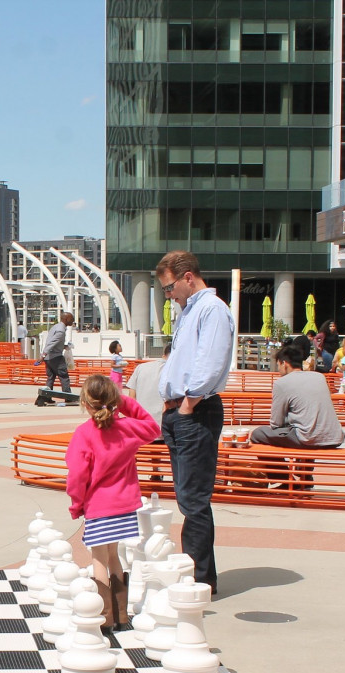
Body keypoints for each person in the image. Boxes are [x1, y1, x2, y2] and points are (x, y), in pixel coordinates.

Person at [156, 250, 235, 594]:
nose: (169, 294)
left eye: (169, 287)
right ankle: (201, 574)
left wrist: (188, 404)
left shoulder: (211, 310)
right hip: (181, 411)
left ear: (188, 277)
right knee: (188, 497)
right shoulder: (189, 312)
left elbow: (211, 362)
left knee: (193, 499)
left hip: (195, 411)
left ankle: (199, 578)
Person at [66, 375, 162, 630]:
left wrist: (76, 504)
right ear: (114, 400)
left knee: (99, 559)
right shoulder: (128, 427)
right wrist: (125, 403)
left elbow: (77, 476)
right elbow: (153, 427)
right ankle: (120, 615)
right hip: (125, 505)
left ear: (85, 403)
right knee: (114, 556)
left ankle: (105, 617)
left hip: (98, 506)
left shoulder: (84, 433)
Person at [250, 343, 345, 450]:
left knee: (258, 434)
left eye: (278, 365)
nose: (278, 370)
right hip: (335, 437)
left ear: (284, 364)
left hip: (308, 439)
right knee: (303, 427)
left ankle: (280, 467)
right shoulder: (319, 377)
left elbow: (276, 423)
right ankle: (305, 467)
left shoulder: (282, 383)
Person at [124, 343, 170, 441]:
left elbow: (131, 397)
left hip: (142, 425)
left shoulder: (141, 367)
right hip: (164, 427)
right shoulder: (175, 369)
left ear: (163, 355)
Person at [41, 311, 74, 397]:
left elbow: (53, 343)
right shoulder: (61, 331)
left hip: (48, 357)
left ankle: (46, 397)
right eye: (71, 319)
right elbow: (52, 343)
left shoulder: (55, 327)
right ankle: (68, 397)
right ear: (66, 319)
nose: (73, 321)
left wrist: (64, 346)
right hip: (56, 357)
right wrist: (43, 355)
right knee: (64, 377)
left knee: (50, 378)